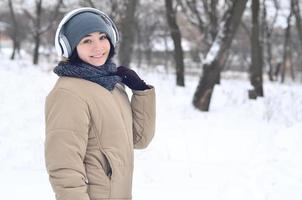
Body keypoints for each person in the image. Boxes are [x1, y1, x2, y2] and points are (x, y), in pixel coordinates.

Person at [44, 7, 156, 200]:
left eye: (102, 37)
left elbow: (139, 139)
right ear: (70, 47)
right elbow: (63, 166)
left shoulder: (112, 86)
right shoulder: (68, 94)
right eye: (87, 40)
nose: (98, 47)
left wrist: (141, 92)